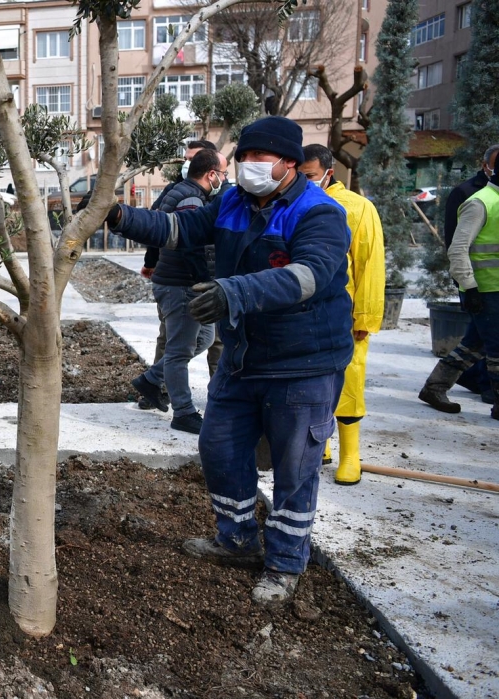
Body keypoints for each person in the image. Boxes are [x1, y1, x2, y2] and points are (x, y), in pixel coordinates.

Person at [104, 116, 353, 605]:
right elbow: (179, 228)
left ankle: (284, 563)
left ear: (288, 163)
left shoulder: (318, 212)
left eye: (260, 159)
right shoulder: (233, 202)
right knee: (218, 449)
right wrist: (115, 216)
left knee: (294, 467)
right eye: (244, 158)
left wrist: (231, 292)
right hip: (243, 358)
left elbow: (309, 276)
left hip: (302, 362)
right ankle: (236, 538)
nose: (249, 167)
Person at [298, 145, 385, 485]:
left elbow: (370, 265)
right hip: (304, 313)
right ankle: (323, 443)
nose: (304, 182)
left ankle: (351, 455)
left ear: (328, 173)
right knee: (311, 383)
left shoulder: (358, 208)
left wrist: (364, 317)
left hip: (344, 315)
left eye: (310, 176)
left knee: (349, 383)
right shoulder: (291, 205)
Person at [131, 149, 229, 434]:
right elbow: (190, 245)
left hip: (179, 281)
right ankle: (184, 412)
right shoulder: (190, 199)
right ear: (211, 174)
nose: (225, 178)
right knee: (179, 350)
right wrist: (202, 281)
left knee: (205, 338)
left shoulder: (184, 193)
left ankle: (151, 379)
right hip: (181, 284)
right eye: (223, 174)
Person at [418, 144, 499, 412]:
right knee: (495, 348)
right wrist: (469, 288)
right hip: (485, 290)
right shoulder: (480, 202)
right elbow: (457, 248)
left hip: (491, 289)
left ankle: (435, 388)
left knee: (473, 344)